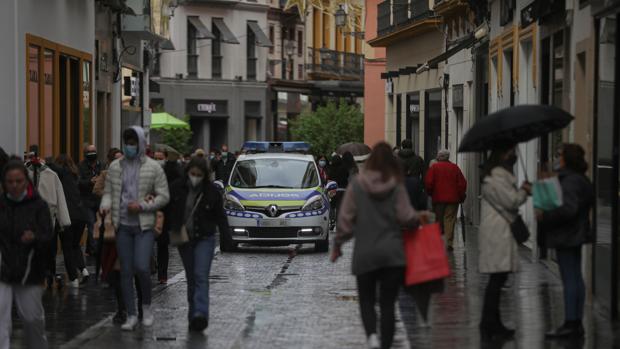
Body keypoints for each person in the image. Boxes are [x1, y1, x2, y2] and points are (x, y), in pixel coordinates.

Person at [332, 142, 430, 349]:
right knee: (387, 304)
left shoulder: (357, 185)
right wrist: (418, 218)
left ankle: (372, 337)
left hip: (365, 253)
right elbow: (406, 216)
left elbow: (345, 219)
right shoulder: (396, 185)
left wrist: (338, 244)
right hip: (392, 254)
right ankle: (385, 344)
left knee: (366, 300)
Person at [100, 126, 170, 331]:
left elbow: (164, 196)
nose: (129, 147)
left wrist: (142, 206)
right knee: (125, 271)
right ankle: (130, 314)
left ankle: (146, 307)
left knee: (141, 266)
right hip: (122, 225)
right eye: (127, 143)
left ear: (140, 144)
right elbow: (108, 192)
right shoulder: (115, 167)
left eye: (133, 143)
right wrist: (105, 205)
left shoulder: (153, 167)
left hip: (143, 226)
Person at [537, 144, 593, 338]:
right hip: (575, 234)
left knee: (570, 278)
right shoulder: (580, 179)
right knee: (575, 277)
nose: (556, 158)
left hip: (567, 235)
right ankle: (575, 321)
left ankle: (571, 322)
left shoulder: (570, 181)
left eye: (559, 155)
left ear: (566, 159)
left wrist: (546, 214)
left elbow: (568, 209)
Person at [167, 157, 228, 332]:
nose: (195, 177)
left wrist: (226, 239)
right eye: (193, 174)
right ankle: (193, 314)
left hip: (205, 238)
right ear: (187, 172)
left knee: (201, 275)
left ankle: (201, 314)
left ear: (205, 175)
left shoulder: (212, 192)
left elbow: (220, 217)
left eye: (199, 175)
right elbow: (167, 208)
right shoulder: (177, 188)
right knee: (191, 278)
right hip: (184, 239)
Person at [478, 146, 531, 340]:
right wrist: (524, 191)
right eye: (509, 151)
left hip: (498, 230)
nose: (513, 155)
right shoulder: (498, 177)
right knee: (497, 279)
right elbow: (512, 201)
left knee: (497, 279)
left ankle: (492, 322)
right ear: (501, 155)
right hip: (498, 232)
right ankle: (489, 323)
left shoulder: (496, 175)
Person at [0, 160, 53, 349]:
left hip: (29, 272)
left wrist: (35, 237)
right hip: (3, 271)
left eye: (18, 181)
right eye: (10, 181)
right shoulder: (2, 205)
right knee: (1, 322)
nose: (14, 185)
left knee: (32, 320)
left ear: (26, 181)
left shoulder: (38, 206)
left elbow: (48, 237)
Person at [51, 154, 91, 287]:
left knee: (67, 247)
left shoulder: (62, 174)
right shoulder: (75, 175)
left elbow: (55, 169)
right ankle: (84, 270)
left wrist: (43, 162)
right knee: (75, 245)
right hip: (81, 215)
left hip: (67, 215)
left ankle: (73, 279)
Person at [424, 149, 467, 251]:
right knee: (449, 220)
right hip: (453, 199)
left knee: (438, 220)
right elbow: (462, 183)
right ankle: (448, 243)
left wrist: (431, 193)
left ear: (439, 157)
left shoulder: (434, 168)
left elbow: (428, 183)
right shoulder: (455, 168)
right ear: (448, 157)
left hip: (438, 198)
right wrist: (461, 196)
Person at [158, 150, 184, 284]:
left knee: (165, 244)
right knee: (164, 244)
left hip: (167, 211)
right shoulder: (177, 170)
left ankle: (162, 274)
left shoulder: (171, 170)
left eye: (160, 157)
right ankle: (162, 274)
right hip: (165, 212)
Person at [78, 145, 103, 256]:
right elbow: (78, 182)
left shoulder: (101, 165)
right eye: (89, 151)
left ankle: (91, 248)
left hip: (99, 200)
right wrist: (90, 181)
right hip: (87, 200)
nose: (92, 153)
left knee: (99, 225)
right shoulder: (81, 166)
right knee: (91, 225)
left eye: (94, 151)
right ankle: (96, 251)